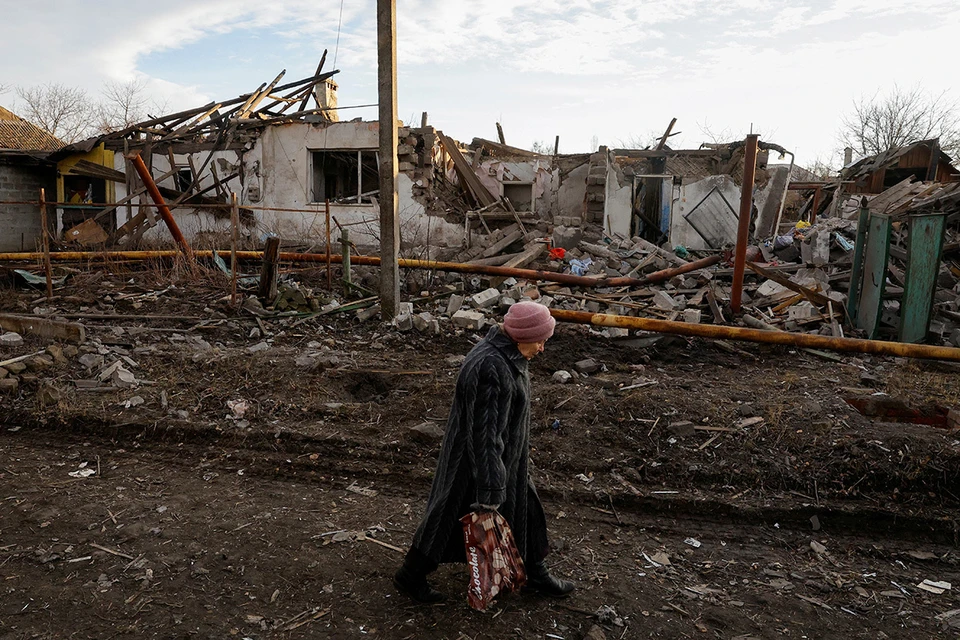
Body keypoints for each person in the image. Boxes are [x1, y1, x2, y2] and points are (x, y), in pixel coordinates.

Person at [394, 301, 576, 603]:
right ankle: (410, 576)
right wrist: (491, 487)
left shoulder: (511, 356)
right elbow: (485, 435)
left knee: (526, 509)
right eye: (541, 340)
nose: (543, 348)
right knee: (446, 518)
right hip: (475, 464)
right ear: (521, 335)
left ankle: (535, 572)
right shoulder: (490, 367)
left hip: (506, 459)